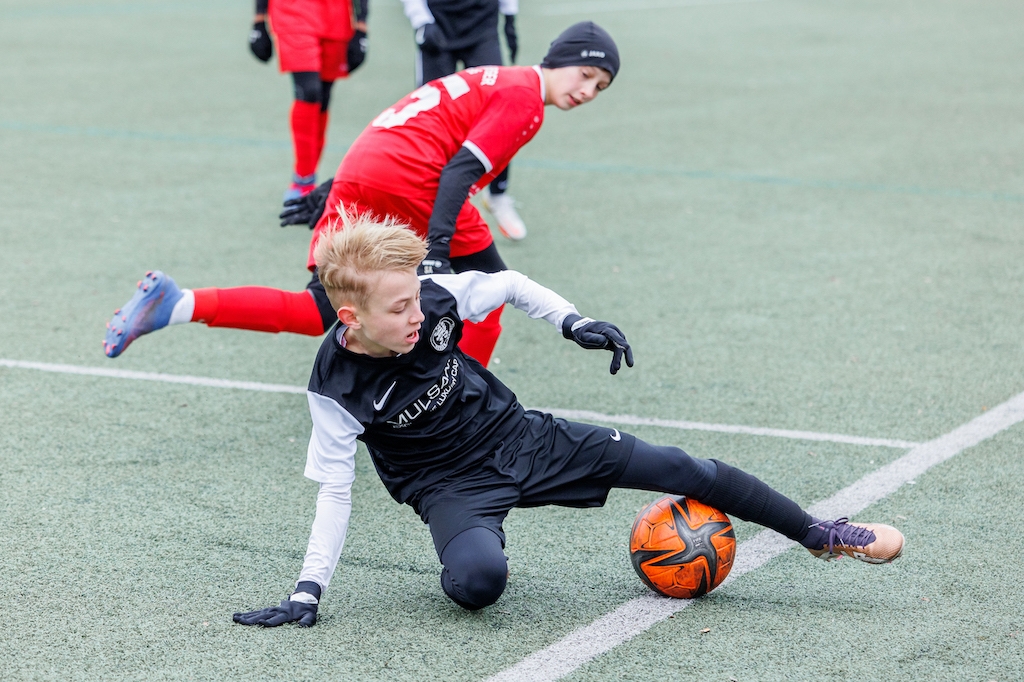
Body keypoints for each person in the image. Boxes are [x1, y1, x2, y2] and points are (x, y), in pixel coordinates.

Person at [230, 215, 905, 626]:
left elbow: (512, 284)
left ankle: (820, 534)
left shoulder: (435, 299)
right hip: (449, 489)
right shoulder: (334, 387)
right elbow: (335, 491)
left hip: (520, 438)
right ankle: (471, 546)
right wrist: (307, 592)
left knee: (678, 467)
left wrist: (573, 323)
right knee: (476, 586)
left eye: (416, 299)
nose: (419, 313)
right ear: (351, 319)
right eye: (400, 308)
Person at [104, 23, 621, 368]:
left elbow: (399, 126)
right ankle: (463, 406)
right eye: (585, 74)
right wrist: (438, 251)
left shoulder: (492, 78)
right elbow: (459, 171)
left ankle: (180, 304)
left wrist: (334, 188)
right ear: (558, 61)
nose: (587, 91)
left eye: (600, 87)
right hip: (414, 179)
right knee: (492, 294)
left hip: (367, 168)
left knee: (321, 309)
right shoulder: (524, 99)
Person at [401, 0, 528, 241]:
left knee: (499, 109)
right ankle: (426, 204)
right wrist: (421, 19)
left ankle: (498, 194)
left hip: (483, 23)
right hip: (437, 19)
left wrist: (510, 14)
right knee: (431, 115)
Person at [248, 0, 369, 202]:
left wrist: (362, 26)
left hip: (336, 16)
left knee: (323, 96)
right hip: (292, 12)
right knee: (309, 91)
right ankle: (302, 179)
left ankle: (309, 180)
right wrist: (259, 20)